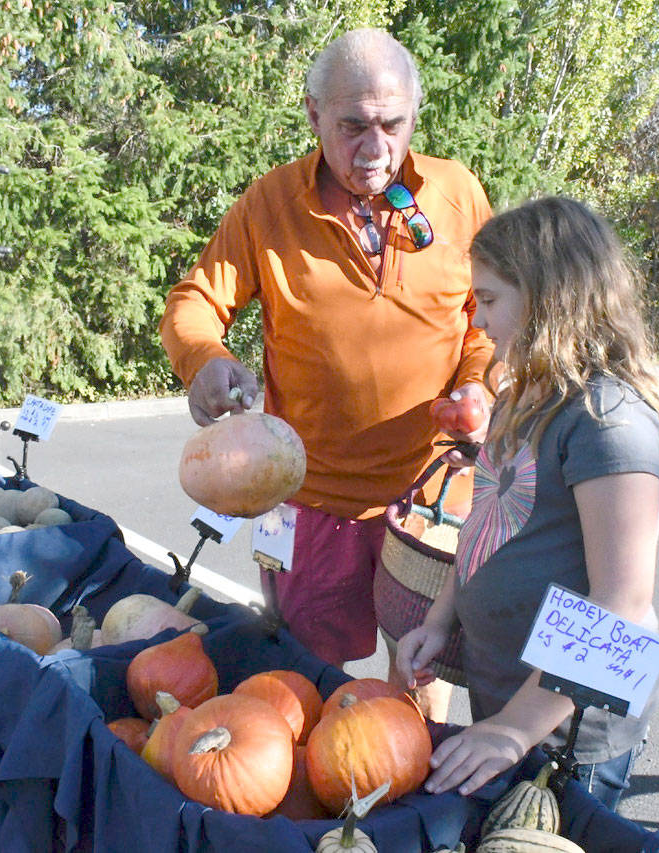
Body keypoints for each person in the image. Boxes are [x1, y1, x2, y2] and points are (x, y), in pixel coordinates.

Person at [159, 28, 495, 682]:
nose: (375, 149)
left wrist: (479, 383)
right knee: (304, 686)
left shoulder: (459, 194)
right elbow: (195, 300)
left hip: (429, 501)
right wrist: (202, 357)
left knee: (421, 691)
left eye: (392, 125)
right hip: (305, 500)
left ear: (415, 114)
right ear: (313, 114)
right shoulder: (269, 204)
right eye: (352, 126)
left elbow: (489, 315)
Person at [394, 196, 659, 811]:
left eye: (490, 300)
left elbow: (621, 608)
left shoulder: (609, 424)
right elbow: (484, 532)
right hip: (509, 701)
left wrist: (515, 729)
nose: (478, 319)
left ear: (550, 298)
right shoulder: (524, 395)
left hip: (569, 731)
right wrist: (440, 623)